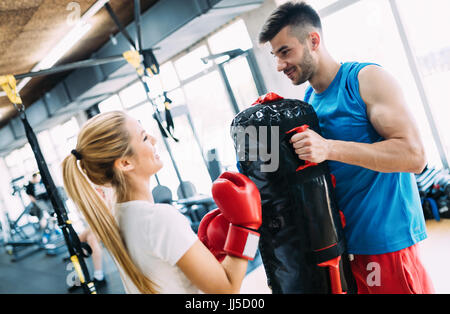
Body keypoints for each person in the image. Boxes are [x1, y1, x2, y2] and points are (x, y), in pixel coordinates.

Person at [258, 1, 434, 294]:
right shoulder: (310, 100)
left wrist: (329, 148)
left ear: (313, 40)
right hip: (343, 247)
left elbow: (414, 156)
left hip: (386, 245)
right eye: (276, 55)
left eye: (285, 52)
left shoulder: (366, 80)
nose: (279, 65)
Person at [61, 110, 261, 294]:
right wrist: (247, 228)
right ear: (125, 163)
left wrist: (208, 258)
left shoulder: (116, 218)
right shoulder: (159, 219)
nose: (155, 140)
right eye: (144, 137)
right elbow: (226, 291)